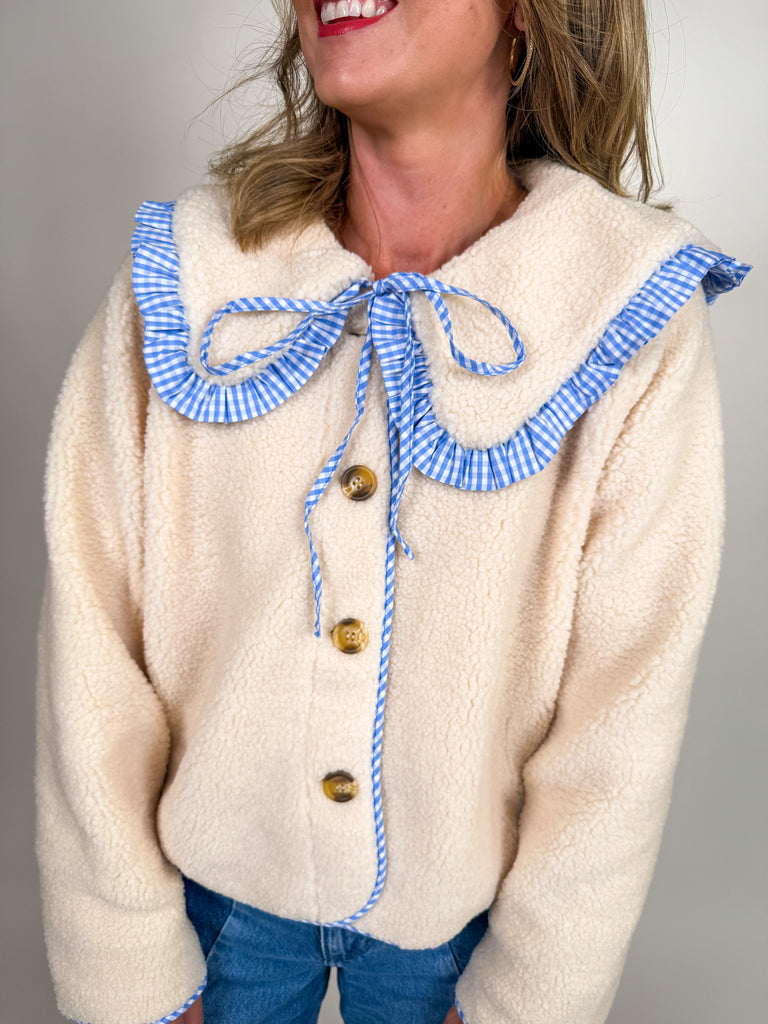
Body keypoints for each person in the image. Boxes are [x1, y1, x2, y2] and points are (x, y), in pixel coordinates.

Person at [35, 1, 750, 1023]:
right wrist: (126, 963)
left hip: (464, 937)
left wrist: (530, 998)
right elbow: (91, 649)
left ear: (529, 16)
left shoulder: (621, 310)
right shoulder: (192, 277)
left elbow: (620, 719)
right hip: (207, 912)